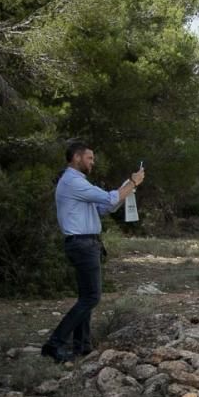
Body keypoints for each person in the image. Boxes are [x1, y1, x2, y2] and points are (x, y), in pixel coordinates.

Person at [41, 141, 145, 363]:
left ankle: (82, 346)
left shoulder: (79, 183)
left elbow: (104, 207)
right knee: (91, 297)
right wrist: (133, 182)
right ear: (77, 158)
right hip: (82, 244)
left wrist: (128, 187)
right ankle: (54, 344)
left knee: (86, 297)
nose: (93, 162)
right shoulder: (72, 182)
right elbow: (109, 198)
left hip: (87, 244)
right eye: (90, 158)